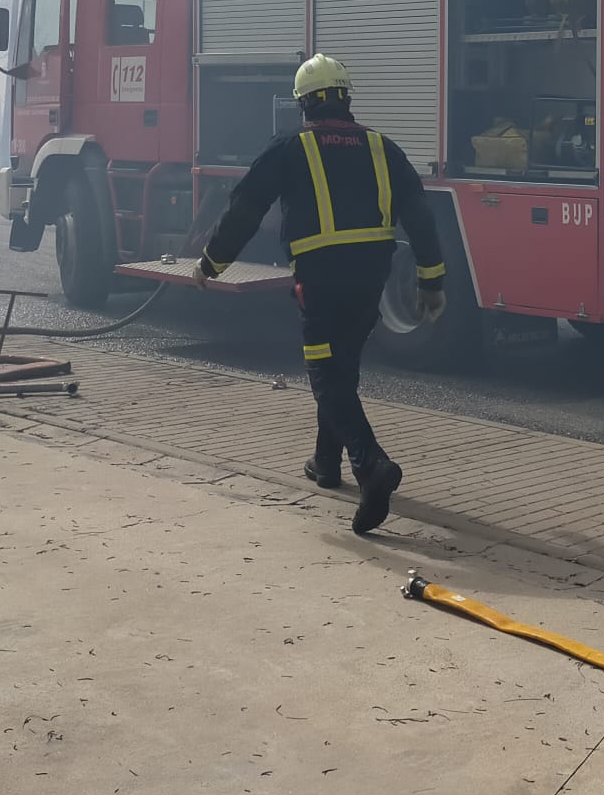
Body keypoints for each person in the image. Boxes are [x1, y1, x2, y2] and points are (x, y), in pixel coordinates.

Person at [190, 54, 446, 533]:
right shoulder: (382, 147)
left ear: (302, 104)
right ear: (347, 100)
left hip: (322, 276)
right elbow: (420, 216)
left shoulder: (289, 147)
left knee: (324, 371)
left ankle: (372, 466)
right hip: (372, 275)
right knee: (341, 366)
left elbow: (245, 208)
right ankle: (325, 464)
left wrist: (211, 262)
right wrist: (431, 280)